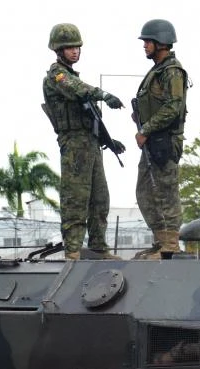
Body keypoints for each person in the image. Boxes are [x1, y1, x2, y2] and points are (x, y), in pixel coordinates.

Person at [42, 23, 125, 260]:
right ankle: (73, 252)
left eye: (77, 47)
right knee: (76, 199)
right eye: (69, 48)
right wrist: (103, 94)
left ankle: (98, 247)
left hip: (90, 143)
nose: (75, 51)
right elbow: (76, 88)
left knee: (100, 199)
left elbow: (90, 117)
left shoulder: (73, 78)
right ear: (58, 50)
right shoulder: (56, 76)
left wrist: (109, 141)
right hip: (74, 145)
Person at [132, 19, 189, 260]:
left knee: (165, 191)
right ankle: (160, 242)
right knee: (146, 192)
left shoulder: (172, 71)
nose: (145, 45)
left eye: (148, 41)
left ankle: (170, 246)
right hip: (153, 141)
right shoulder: (157, 71)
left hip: (164, 141)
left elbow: (174, 106)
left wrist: (146, 128)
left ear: (161, 43)